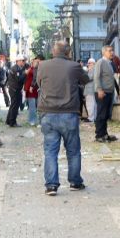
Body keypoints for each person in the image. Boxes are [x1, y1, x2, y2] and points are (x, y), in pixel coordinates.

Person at [37, 41, 89, 196]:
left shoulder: (43, 65)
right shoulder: (74, 66)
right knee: (73, 150)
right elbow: (86, 80)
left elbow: (39, 83)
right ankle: (75, 182)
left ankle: (51, 185)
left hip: (48, 112)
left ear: (53, 52)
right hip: (68, 113)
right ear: (68, 52)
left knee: (50, 151)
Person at [93, 46, 118, 142]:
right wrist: (99, 90)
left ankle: (104, 134)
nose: (112, 52)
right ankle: (99, 135)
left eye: (112, 50)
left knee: (106, 114)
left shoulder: (110, 63)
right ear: (104, 52)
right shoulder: (100, 62)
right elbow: (96, 77)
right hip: (102, 92)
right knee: (101, 114)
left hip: (109, 92)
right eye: (109, 51)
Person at [6, 55, 26, 127]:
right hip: (14, 89)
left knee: (13, 105)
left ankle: (9, 120)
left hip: (15, 89)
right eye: (23, 61)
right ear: (18, 61)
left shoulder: (18, 68)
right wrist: (25, 73)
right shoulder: (16, 69)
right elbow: (19, 79)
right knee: (15, 106)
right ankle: (12, 122)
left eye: (24, 61)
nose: (24, 62)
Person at [24, 56, 42, 126]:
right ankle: (34, 120)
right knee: (34, 106)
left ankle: (33, 120)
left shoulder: (35, 68)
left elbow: (34, 78)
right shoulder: (32, 68)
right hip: (32, 89)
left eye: (34, 61)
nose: (32, 62)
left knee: (33, 106)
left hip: (32, 89)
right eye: (32, 61)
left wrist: (31, 86)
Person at [84, 58, 97, 122]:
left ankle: (91, 118)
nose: (88, 64)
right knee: (93, 104)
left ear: (93, 64)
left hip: (90, 90)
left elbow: (88, 78)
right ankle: (93, 117)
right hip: (91, 89)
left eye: (89, 63)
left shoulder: (92, 69)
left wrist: (86, 72)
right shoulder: (93, 69)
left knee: (90, 104)